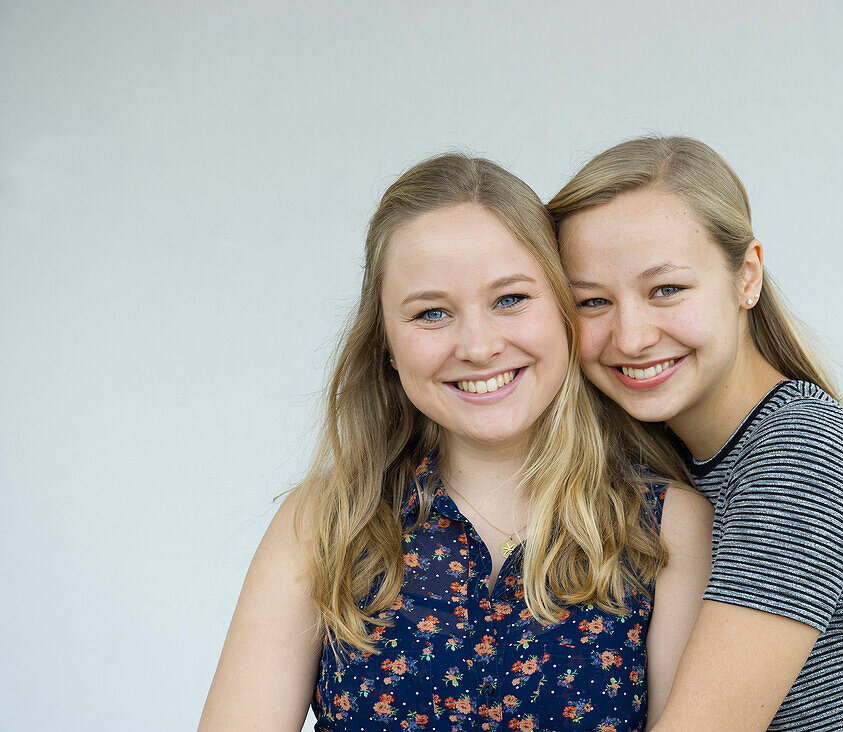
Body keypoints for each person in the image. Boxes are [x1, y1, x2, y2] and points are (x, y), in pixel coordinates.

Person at [198, 153, 713, 732]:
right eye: (432, 313)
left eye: (511, 299)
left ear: (566, 315)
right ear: (385, 341)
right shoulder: (322, 524)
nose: (477, 345)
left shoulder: (667, 527)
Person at [548, 136, 843, 730]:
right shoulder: (665, 460)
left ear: (747, 277)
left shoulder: (808, 454)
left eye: (667, 289)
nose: (630, 337)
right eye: (592, 302)